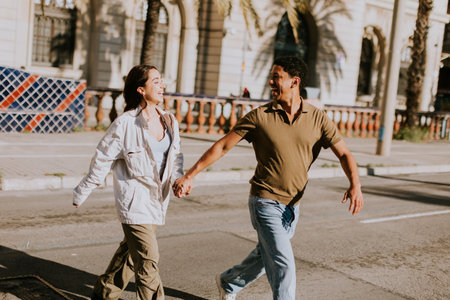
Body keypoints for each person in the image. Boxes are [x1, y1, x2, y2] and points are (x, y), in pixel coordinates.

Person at [172, 56, 363, 300]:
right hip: (264, 202)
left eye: (277, 77)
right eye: (271, 77)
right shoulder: (260, 116)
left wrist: (355, 185)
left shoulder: (317, 118)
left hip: (293, 207)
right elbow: (222, 147)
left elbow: (344, 153)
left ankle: (229, 283)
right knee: (283, 263)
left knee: (265, 258)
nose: (271, 81)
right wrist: (190, 175)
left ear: (295, 81)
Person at [73, 65, 183, 300]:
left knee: (131, 255)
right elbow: (102, 158)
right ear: (141, 89)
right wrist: (83, 191)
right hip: (134, 203)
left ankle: (104, 293)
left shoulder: (169, 121)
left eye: (161, 80)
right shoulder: (125, 124)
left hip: (156, 201)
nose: (161, 85)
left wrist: (178, 179)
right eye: (155, 81)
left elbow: (175, 156)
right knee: (148, 259)